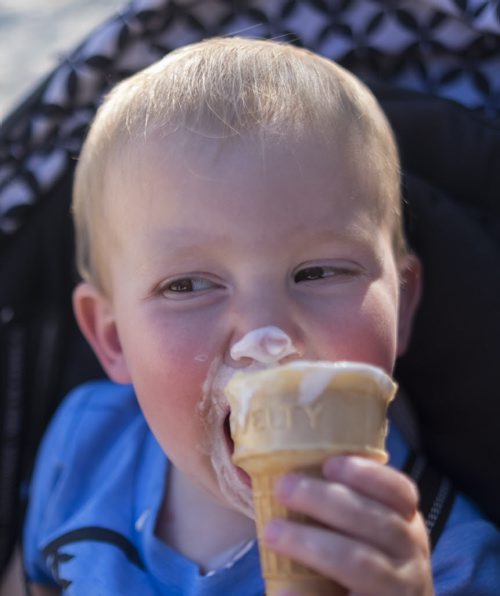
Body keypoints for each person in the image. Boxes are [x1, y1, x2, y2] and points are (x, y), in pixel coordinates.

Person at [20, 37, 499, 595]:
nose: (265, 336)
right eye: (188, 284)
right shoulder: (86, 445)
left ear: (404, 303)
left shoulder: (445, 563)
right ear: (113, 338)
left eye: (319, 273)